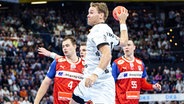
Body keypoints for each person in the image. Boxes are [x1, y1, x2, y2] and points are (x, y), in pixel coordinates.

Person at [70, 2, 129, 104]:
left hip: (101, 84)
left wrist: (95, 75)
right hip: (88, 80)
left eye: (92, 12)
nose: (88, 15)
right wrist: (122, 22)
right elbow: (124, 42)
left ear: (101, 15)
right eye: (88, 12)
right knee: (74, 100)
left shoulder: (98, 31)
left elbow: (107, 55)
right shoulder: (107, 30)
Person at [34, 36, 85, 104]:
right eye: (63, 46)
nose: (64, 48)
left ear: (74, 46)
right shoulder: (57, 62)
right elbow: (45, 83)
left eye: (67, 45)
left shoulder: (85, 65)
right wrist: (36, 102)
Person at [111, 40, 161, 104]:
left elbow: (142, 84)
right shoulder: (117, 63)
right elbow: (111, 84)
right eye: (124, 46)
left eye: (129, 45)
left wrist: (153, 86)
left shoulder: (140, 63)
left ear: (134, 47)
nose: (126, 47)